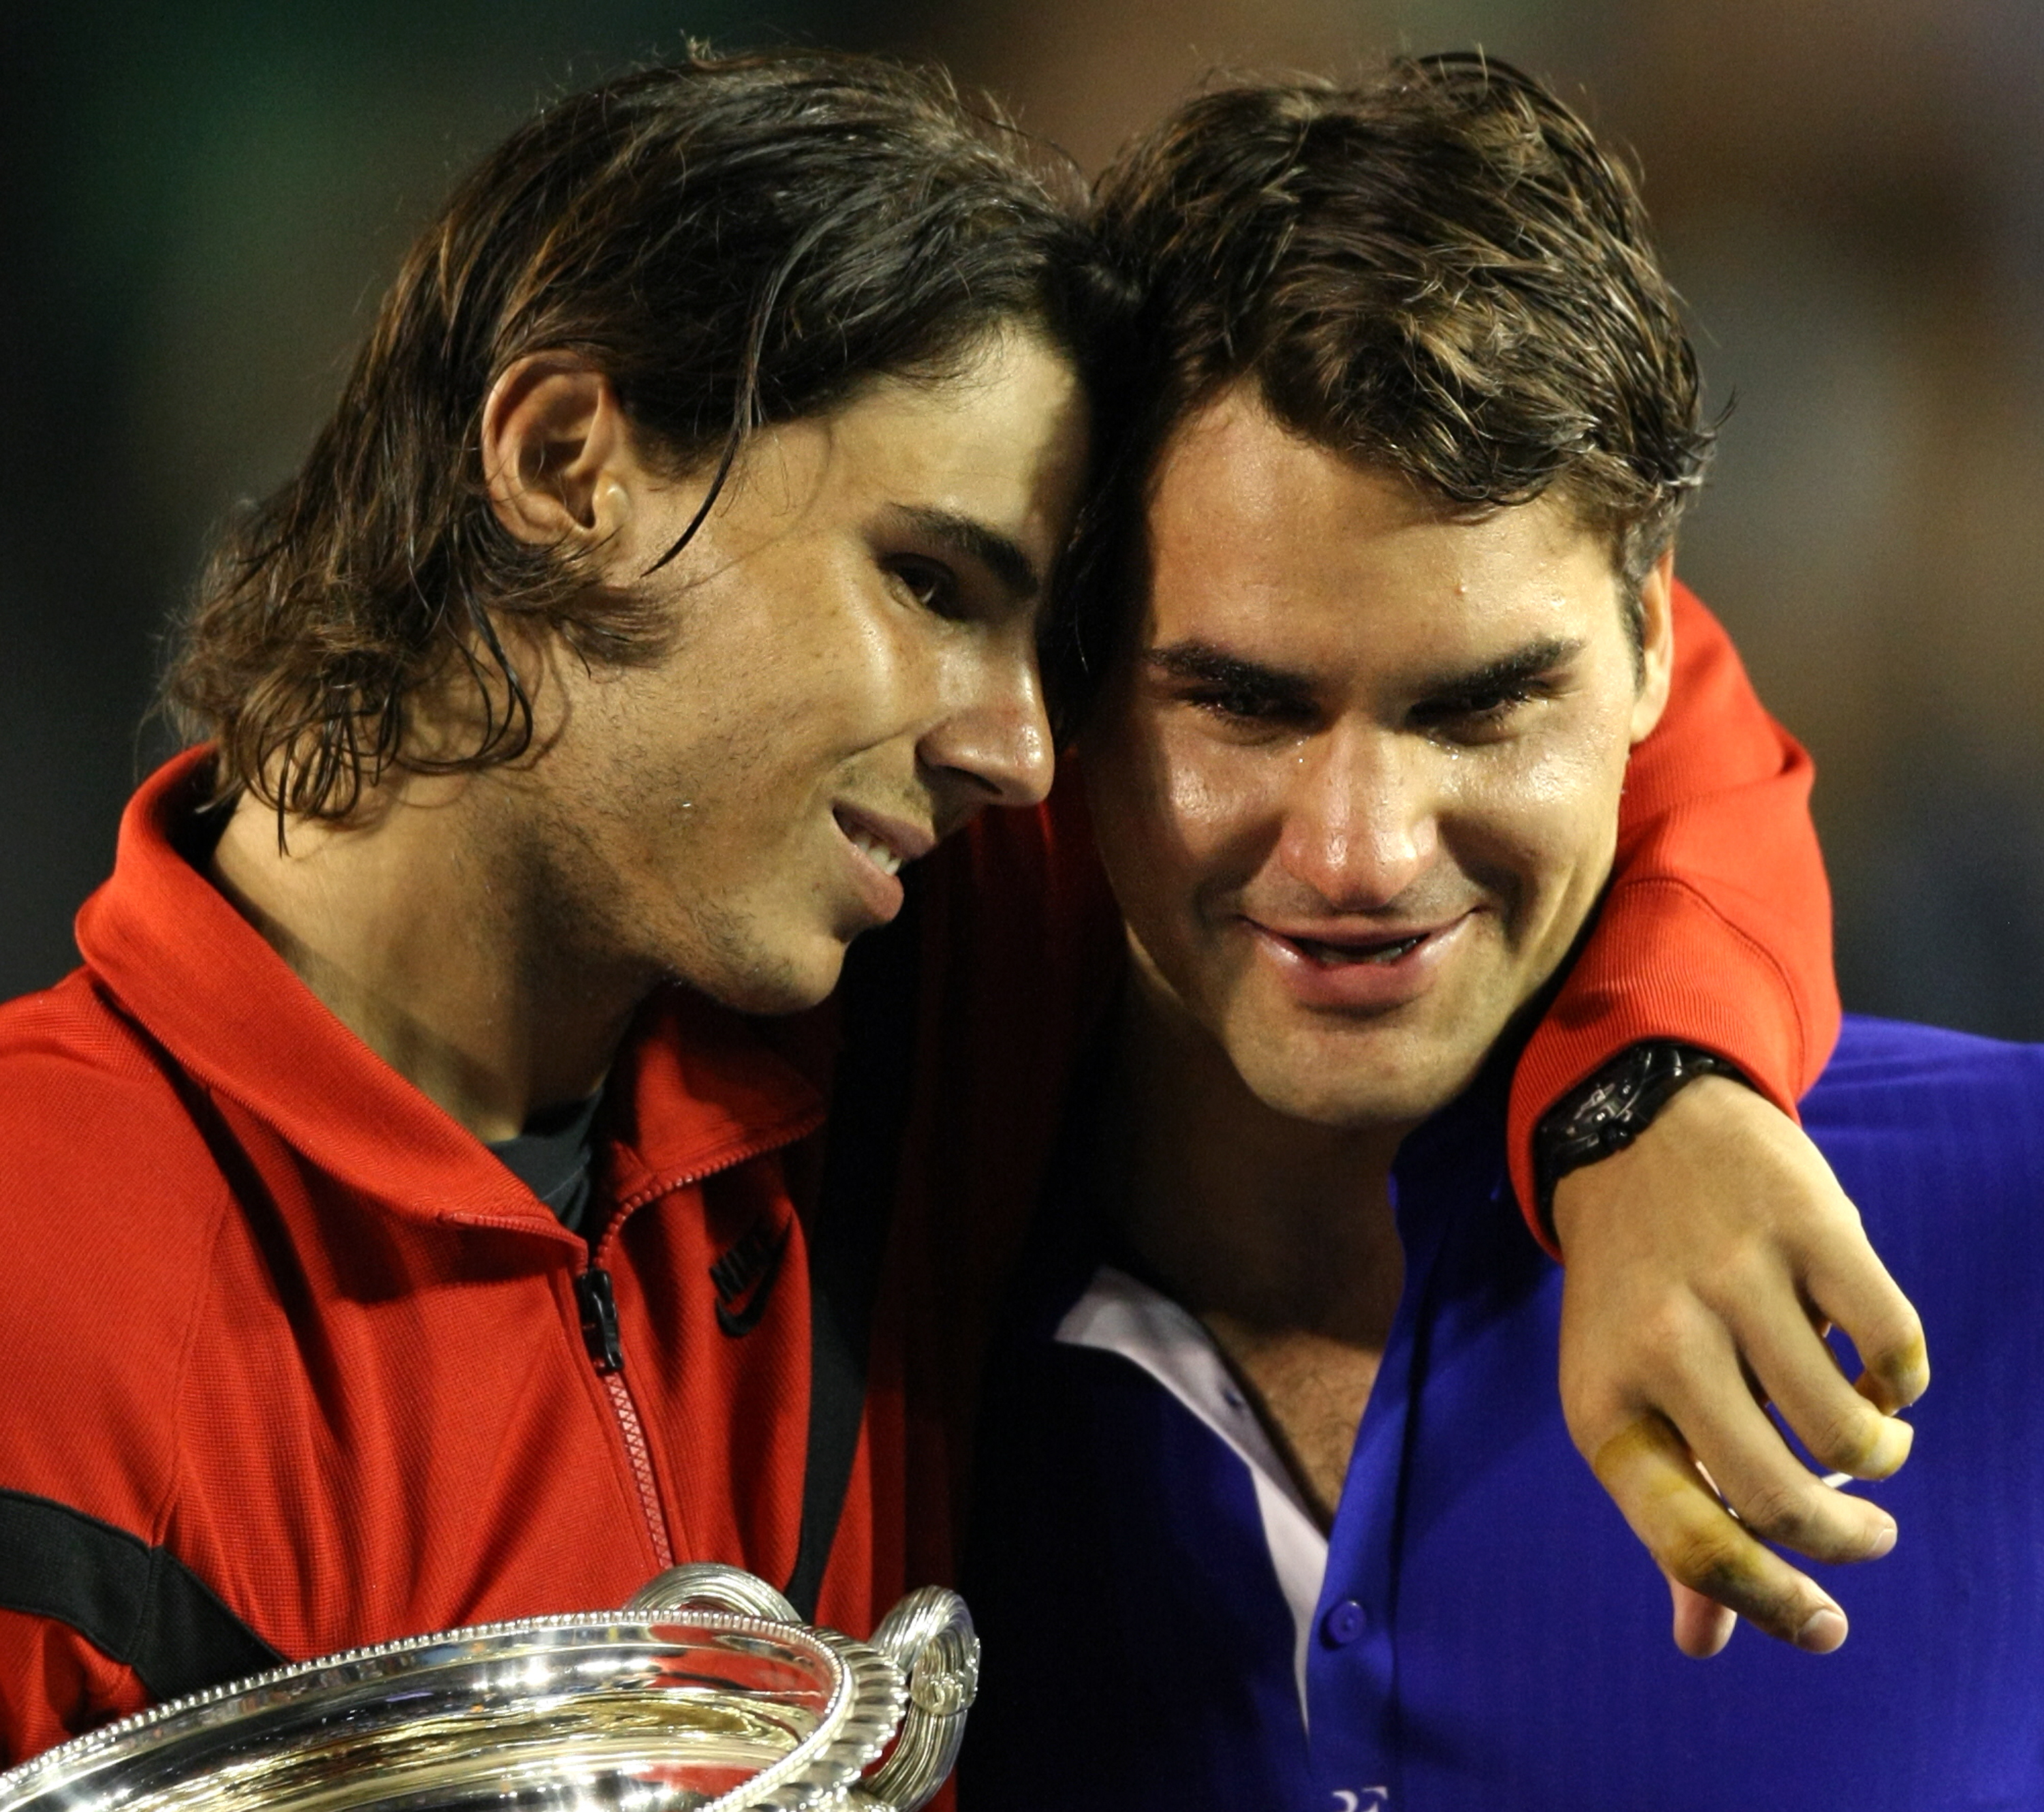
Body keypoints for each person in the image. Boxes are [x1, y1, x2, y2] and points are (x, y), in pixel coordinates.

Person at [0, 44, 1907, 1778]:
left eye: (1045, 637)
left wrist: (1649, 1103)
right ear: (566, 462)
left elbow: (1579, 667)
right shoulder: (44, 1277)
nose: (1022, 746)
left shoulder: (906, 952)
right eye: (929, 582)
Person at [957, 56, 2028, 1810]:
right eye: (1241, 706)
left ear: (1658, 648)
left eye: (1480, 709)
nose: (1361, 854)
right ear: (1069, 676)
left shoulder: (2019, 1214)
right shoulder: (843, 1240)